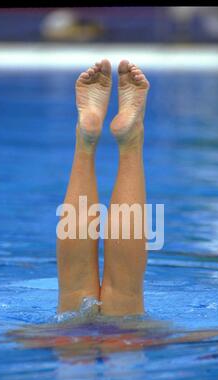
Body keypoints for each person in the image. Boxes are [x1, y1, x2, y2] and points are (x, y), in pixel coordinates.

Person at [57, 59, 150, 315]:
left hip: (67, 339)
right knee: (125, 292)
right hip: (127, 340)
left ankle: (85, 139)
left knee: (72, 293)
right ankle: (131, 140)